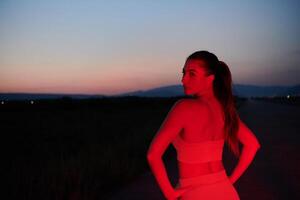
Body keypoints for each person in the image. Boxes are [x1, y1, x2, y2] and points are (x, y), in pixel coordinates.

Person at [146, 50, 261, 200]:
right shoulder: (225, 110)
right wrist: (229, 181)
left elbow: (153, 155)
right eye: (184, 73)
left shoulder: (183, 107)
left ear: (210, 79)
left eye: (192, 74)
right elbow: (253, 145)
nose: (183, 80)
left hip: (195, 193)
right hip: (226, 192)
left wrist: (170, 194)